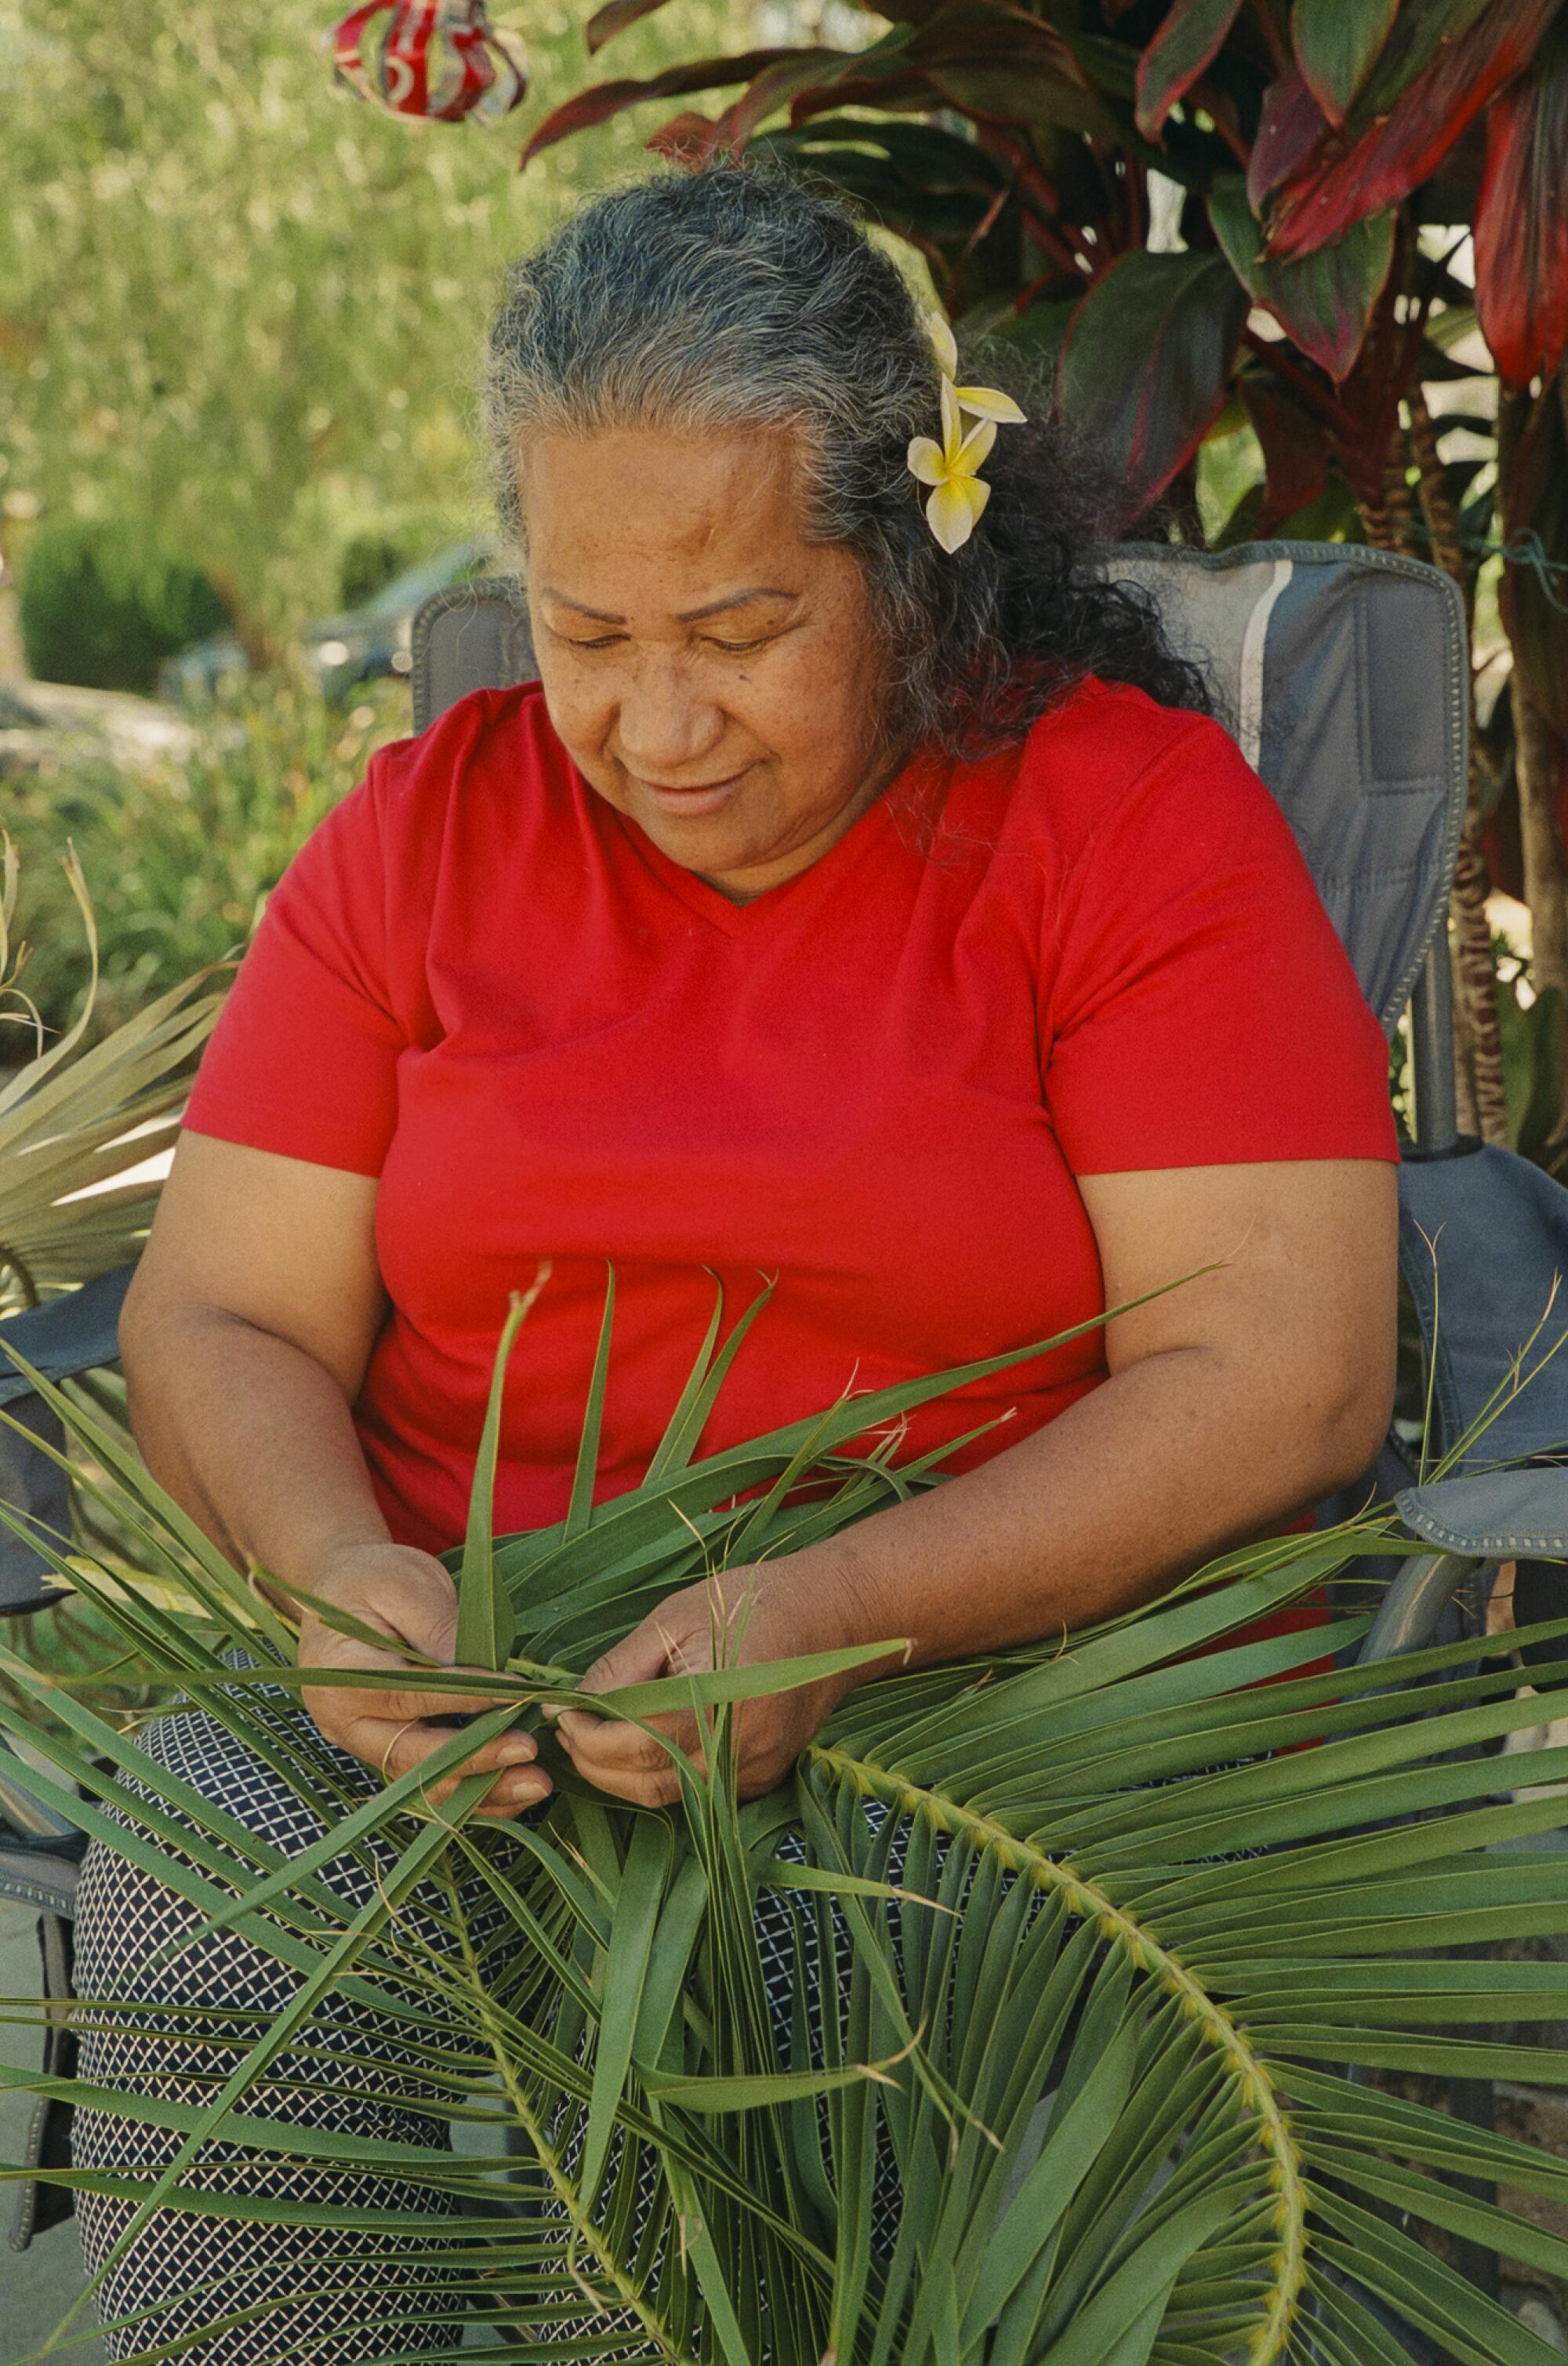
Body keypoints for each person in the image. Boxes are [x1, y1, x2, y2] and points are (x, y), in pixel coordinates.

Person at [69, 164, 1398, 2361]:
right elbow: (213, 1309)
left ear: (902, 555)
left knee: (805, 1999)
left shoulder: (1118, 823)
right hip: (485, 1720)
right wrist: (332, 1572)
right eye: (590, 638)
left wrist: (838, 1617)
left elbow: (1284, 1369)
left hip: (977, 1726)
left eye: (745, 630)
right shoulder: (419, 840)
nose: (660, 729)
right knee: (208, 1868)